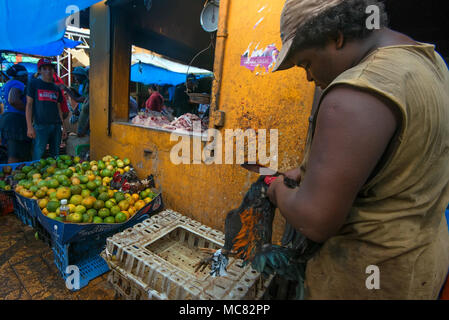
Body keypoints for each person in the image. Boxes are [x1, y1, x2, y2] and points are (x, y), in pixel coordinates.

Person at [267, 0, 449, 299]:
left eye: (306, 63)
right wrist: (308, 171)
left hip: (365, 280)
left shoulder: (356, 92)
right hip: (420, 266)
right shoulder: (431, 63)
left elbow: (315, 220)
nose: (309, 77)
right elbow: (396, 160)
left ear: (336, 37)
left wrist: (276, 190)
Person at [26, 58, 67, 160]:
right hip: (40, 125)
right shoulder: (33, 84)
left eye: (50, 68)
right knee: (38, 154)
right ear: (40, 70)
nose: (48, 71)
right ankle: (35, 175)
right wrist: (29, 127)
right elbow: (29, 105)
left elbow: (59, 109)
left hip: (56, 125)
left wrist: (63, 127)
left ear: (53, 70)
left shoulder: (56, 88)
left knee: (55, 155)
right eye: (45, 69)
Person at [0, 64, 32, 162]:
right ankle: (12, 174)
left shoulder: (5, 85)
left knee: (11, 150)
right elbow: (13, 100)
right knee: (15, 153)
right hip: (16, 121)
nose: (27, 78)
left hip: (6, 119)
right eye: (25, 75)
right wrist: (28, 111)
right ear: (21, 76)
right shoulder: (17, 84)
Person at [60, 67, 89, 137]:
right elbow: (80, 97)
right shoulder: (82, 85)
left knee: (84, 134)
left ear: (82, 76)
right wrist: (73, 91)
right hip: (82, 111)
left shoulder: (88, 85)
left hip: (86, 114)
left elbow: (79, 99)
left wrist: (67, 90)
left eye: (76, 77)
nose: (75, 79)